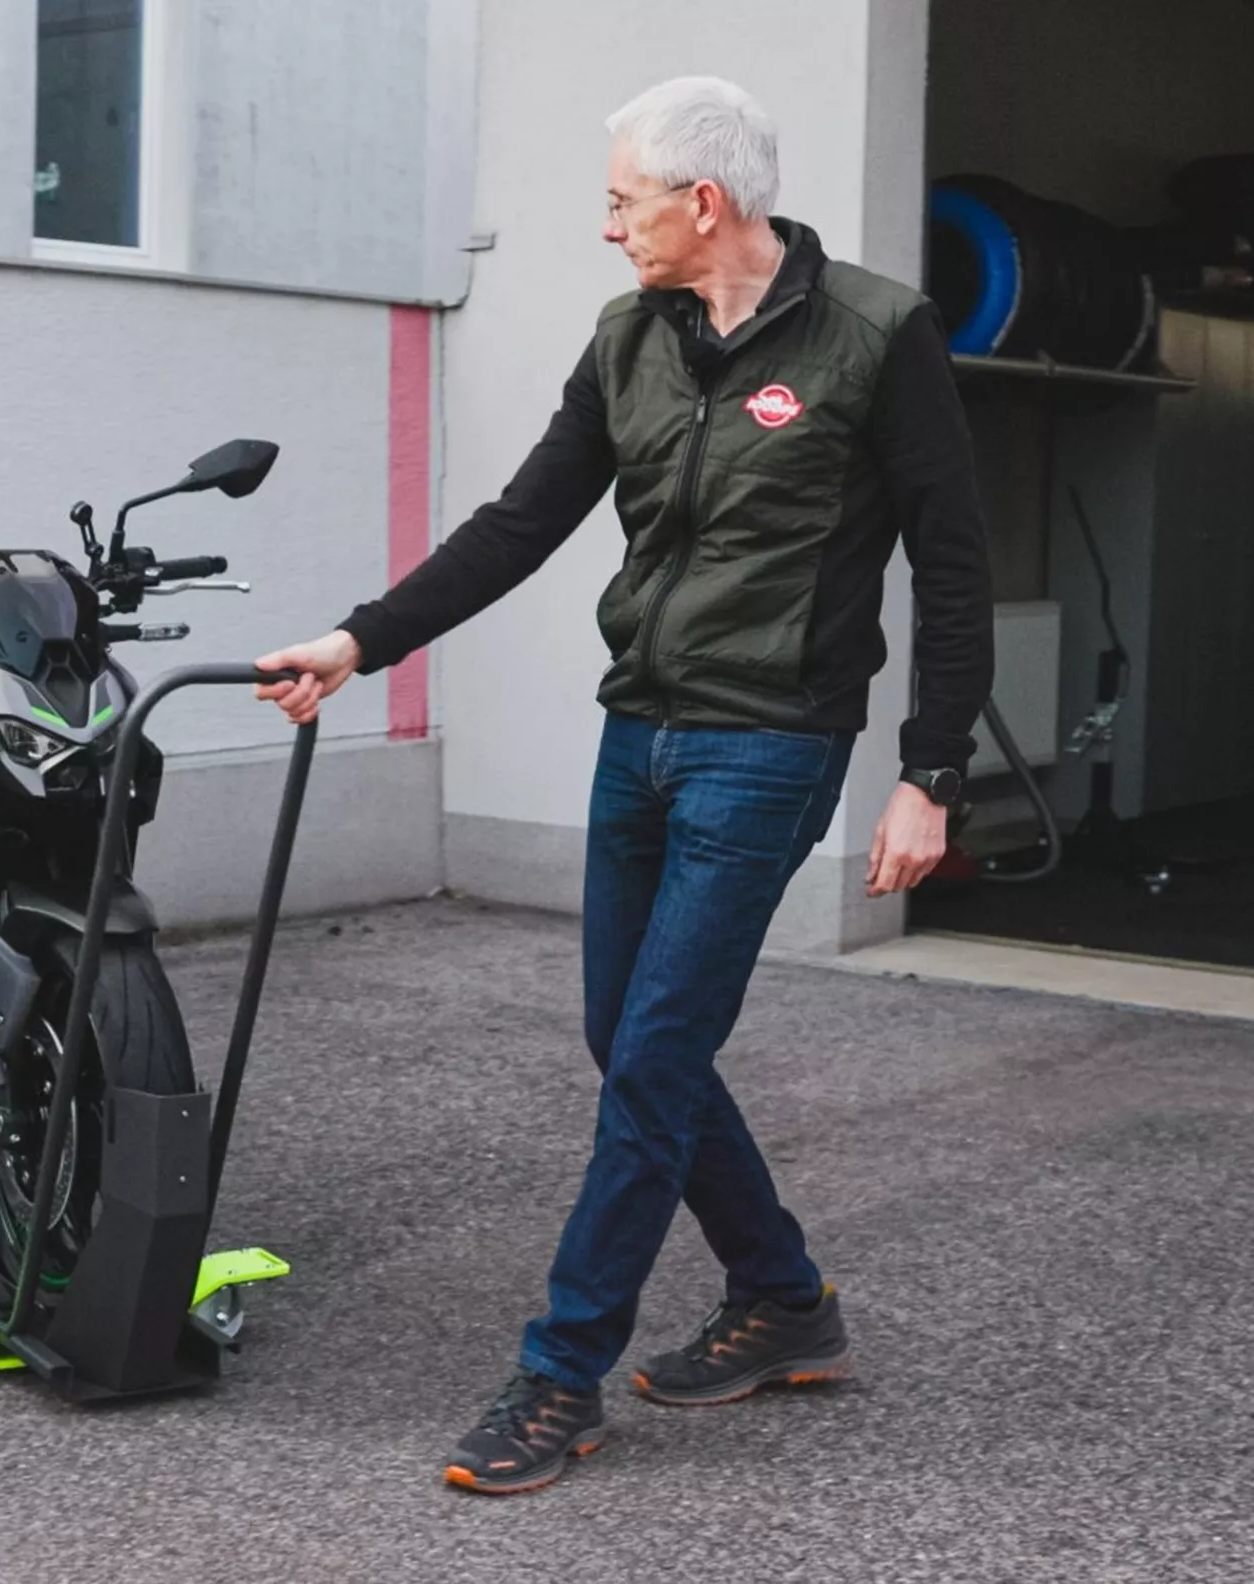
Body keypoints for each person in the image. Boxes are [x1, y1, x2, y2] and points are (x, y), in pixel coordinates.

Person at [255, 74, 993, 1495]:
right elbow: (521, 522)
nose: (609, 228)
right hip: (639, 732)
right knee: (629, 1037)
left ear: (702, 202)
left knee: (653, 1058)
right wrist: (360, 641)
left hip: (771, 743)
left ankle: (560, 1374)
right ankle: (784, 1300)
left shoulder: (876, 334)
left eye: (621, 202)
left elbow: (953, 563)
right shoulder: (628, 338)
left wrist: (930, 772)